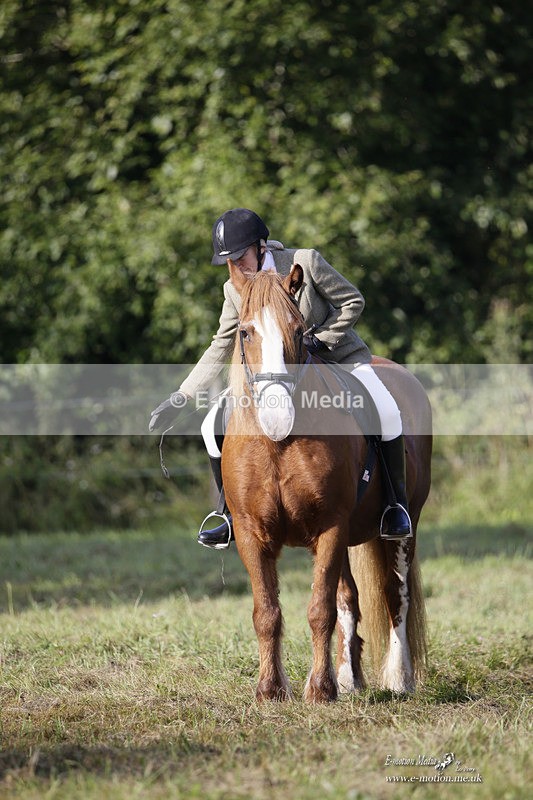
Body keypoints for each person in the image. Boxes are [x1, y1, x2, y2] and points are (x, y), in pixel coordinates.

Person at [149, 208, 412, 548]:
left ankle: (395, 504)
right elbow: (221, 344)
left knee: (386, 409)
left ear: (260, 247)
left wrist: (320, 338)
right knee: (210, 425)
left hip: (338, 358)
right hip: (277, 374)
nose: (236, 267)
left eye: (240, 257)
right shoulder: (235, 289)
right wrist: (181, 397)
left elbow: (352, 301)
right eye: (229, 261)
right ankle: (227, 514)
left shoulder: (305, 262)